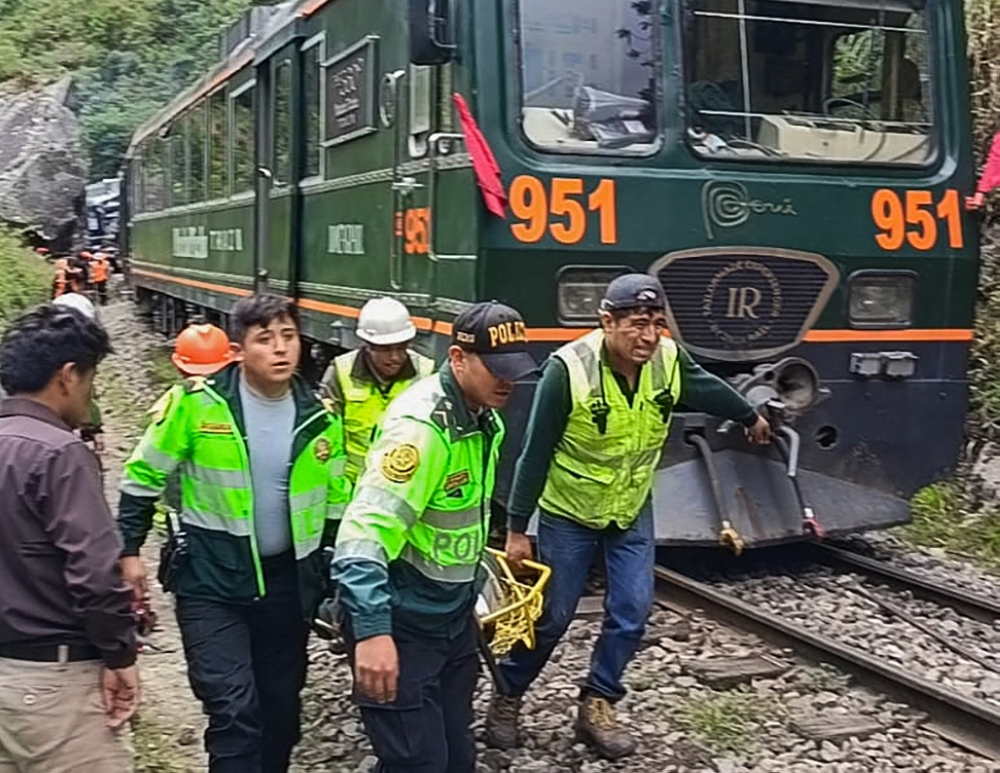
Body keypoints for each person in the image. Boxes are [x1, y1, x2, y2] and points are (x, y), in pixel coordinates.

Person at [486, 274, 772, 759]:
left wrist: (750, 416)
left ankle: (598, 701)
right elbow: (534, 454)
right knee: (553, 616)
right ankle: (508, 693)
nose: (648, 336)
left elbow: (706, 387)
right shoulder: (568, 370)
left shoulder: (668, 360)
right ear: (607, 322)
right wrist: (517, 529)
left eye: (657, 324)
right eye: (637, 324)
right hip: (569, 512)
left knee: (632, 611)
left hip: (629, 509)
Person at [117, 294, 351, 773]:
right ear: (240, 350)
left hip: (288, 587)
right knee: (234, 710)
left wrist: (333, 576)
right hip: (211, 582)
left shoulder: (321, 417)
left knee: (281, 715)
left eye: (288, 336)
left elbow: (335, 504)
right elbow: (142, 477)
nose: (281, 349)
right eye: (265, 339)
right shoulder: (197, 407)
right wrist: (129, 550)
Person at [333, 301, 537, 773]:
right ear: (459, 359)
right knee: (418, 762)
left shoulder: (485, 420)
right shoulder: (421, 431)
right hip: (403, 627)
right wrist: (373, 632)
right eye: (496, 369)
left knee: (455, 757)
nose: (508, 381)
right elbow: (362, 535)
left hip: (451, 623)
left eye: (514, 369)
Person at [0, 304, 138, 772]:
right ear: (67, 376)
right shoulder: (61, 454)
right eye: (91, 378)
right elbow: (96, 575)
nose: (90, 392)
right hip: (52, 681)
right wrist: (120, 654)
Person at [321, 297, 435, 485]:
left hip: (405, 485)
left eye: (401, 347)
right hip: (353, 487)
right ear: (368, 345)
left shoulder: (425, 373)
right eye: (385, 349)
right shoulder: (341, 372)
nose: (395, 357)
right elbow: (329, 437)